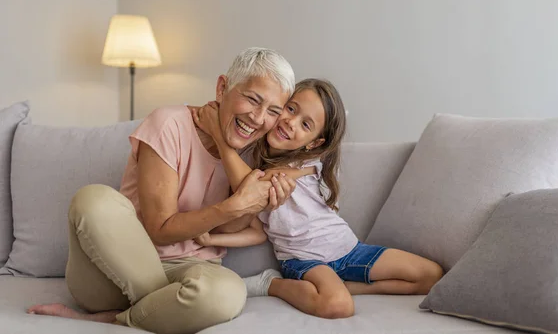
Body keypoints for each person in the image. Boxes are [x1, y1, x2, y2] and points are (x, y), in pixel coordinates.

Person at [26, 47, 297, 334]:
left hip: (188, 273)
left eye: (273, 111)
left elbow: (231, 227)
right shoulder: (168, 123)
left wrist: (230, 155)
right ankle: (157, 311)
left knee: (228, 293)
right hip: (112, 272)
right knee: (92, 200)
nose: (258, 118)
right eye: (253, 100)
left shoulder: (254, 149)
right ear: (222, 88)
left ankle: (115, 319)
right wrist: (234, 204)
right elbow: (160, 228)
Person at [190, 78, 444, 320]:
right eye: (291, 109)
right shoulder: (251, 168)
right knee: (337, 306)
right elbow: (256, 230)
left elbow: (258, 183)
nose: (291, 122)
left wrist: (220, 138)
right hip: (304, 260)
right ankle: (272, 284)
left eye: (306, 125)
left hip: (350, 250)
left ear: (314, 143)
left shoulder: (309, 165)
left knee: (430, 275)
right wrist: (212, 237)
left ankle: (348, 287)